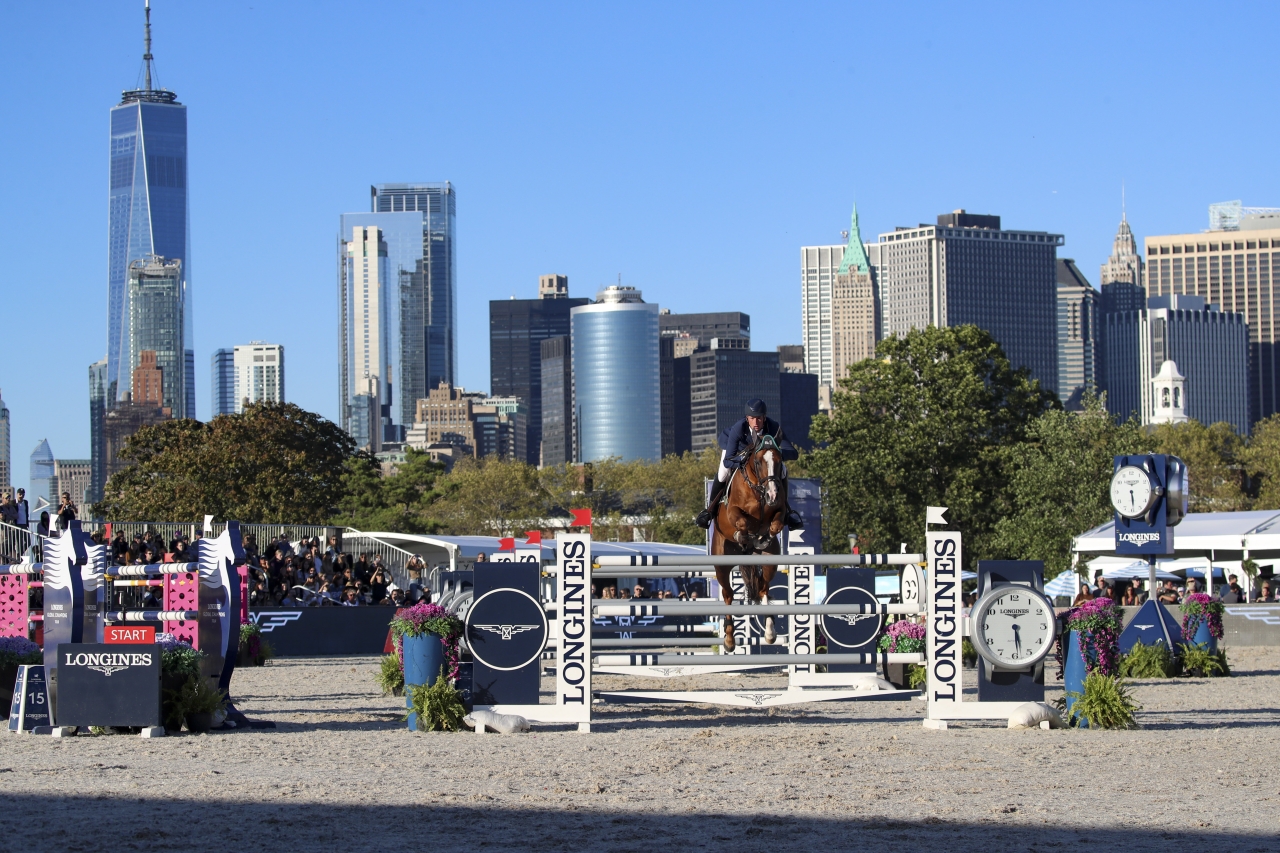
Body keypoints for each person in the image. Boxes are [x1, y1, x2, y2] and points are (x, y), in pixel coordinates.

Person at [695, 399, 803, 531]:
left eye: (759, 418)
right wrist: (743, 459)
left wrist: (775, 454)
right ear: (747, 418)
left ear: (764, 417)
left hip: (763, 457)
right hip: (736, 451)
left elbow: (793, 453)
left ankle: (787, 512)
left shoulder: (773, 427)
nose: (756, 423)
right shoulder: (738, 428)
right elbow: (728, 460)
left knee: (783, 470)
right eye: (752, 418)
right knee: (723, 473)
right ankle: (709, 512)